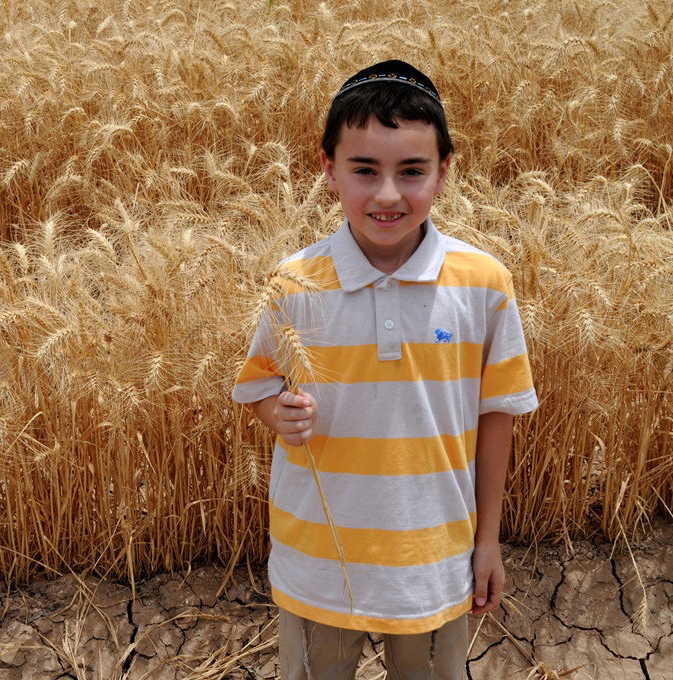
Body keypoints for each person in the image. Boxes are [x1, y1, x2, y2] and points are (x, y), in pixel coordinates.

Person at [231, 60, 538, 680]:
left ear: (444, 171)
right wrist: (277, 414)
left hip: (434, 560)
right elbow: (257, 385)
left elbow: (497, 415)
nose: (389, 195)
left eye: (412, 171)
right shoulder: (295, 283)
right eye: (365, 170)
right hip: (319, 560)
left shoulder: (484, 284)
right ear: (329, 168)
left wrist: (487, 541)